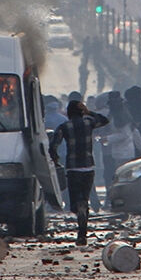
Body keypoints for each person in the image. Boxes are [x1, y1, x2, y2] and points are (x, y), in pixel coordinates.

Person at [49, 100, 109, 246]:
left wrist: (55, 160)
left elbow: (53, 146)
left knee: (75, 202)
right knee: (85, 198)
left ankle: (79, 211)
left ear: (69, 112)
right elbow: (105, 120)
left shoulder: (64, 126)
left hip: (72, 168)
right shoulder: (89, 122)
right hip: (88, 167)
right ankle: (82, 234)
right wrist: (88, 111)